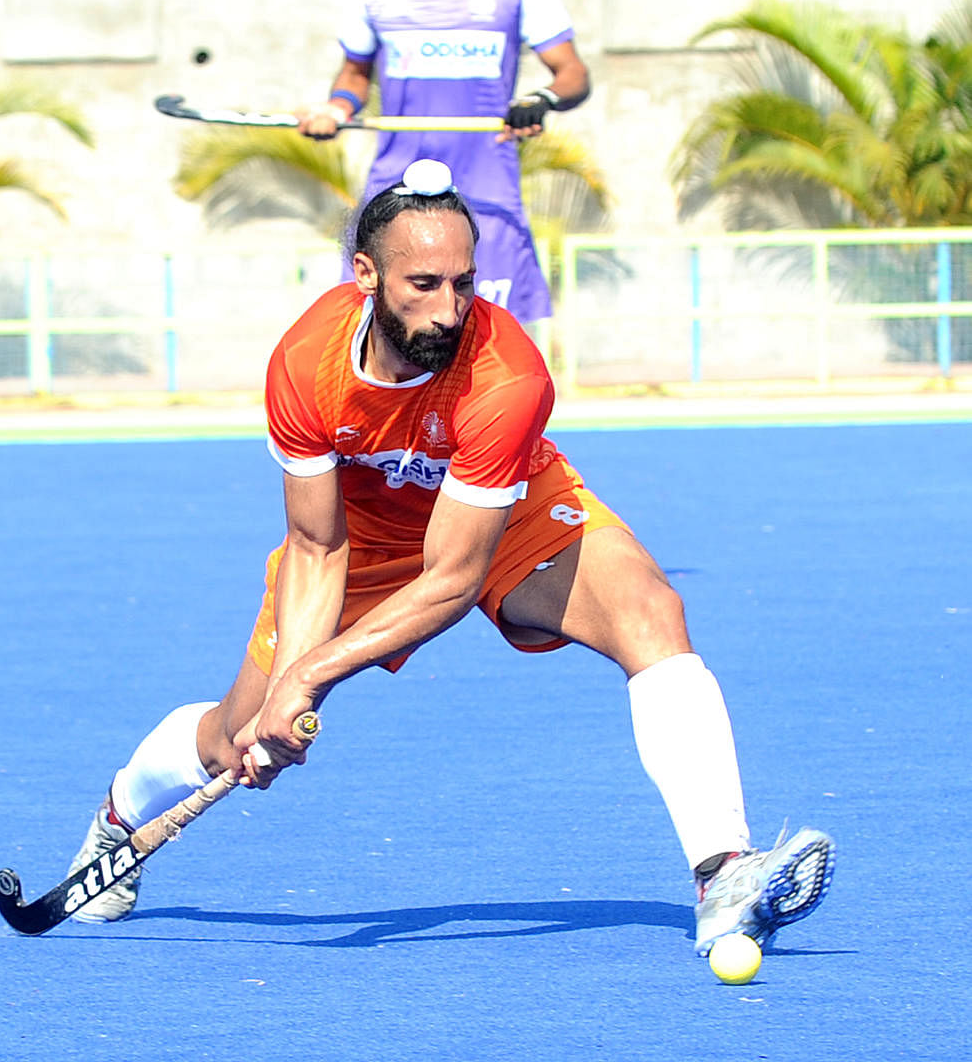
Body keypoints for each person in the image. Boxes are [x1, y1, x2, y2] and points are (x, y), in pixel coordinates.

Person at [67, 160, 835, 957]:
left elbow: (454, 577)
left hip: (506, 511)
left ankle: (724, 873)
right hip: (362, 540)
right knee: (234, 734)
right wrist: (292, 687)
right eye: (423, 285)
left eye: (464, 284)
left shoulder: (507, 377)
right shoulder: (304, 363)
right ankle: (118, 819)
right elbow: (316, 543)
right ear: (365, 274)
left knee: (649, 610)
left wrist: (312, 675)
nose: (449, 310)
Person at [295, 0, 590, 326]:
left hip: (488, 196)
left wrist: (543, 99)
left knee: (492, 349)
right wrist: (335, 109)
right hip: (396, 195)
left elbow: (572, 73)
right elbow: (353, 76)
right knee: (379, 341)